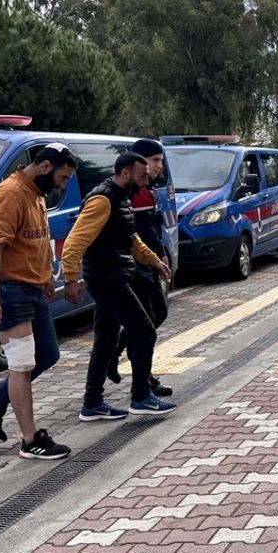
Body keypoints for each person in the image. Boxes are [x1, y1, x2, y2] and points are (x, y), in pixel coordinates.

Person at [0, 143, 78, 460]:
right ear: (45, 167)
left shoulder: (36, 194)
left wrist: (45, 276)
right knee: (22, 364)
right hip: (11, 290)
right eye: (63, 177)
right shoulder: (11, 194)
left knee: (48, 354)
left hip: (32, 288)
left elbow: (35, 241)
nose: (63, 185)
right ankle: (30, 441)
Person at [62, 151, 176, 421]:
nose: (146, 180)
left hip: (113, 273)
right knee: (144, 331)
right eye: (142, 175)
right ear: (126, 174)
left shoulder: (119, 196)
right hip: (106, 277)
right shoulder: (103, 199)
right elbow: (74, 242)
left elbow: (130, 237)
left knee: (105, 341)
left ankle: (92, 403)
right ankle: (140, 396)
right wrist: (69, 279)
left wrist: (153, 261)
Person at [106, 139, 173, 398]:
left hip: (150, 262)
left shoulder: (149, 190)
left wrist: (161, 255)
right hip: (134, 266)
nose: (158, 166)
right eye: (154, 161)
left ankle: (123, 355)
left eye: (160, 161)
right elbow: (133, 234)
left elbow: (153, 230)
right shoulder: (130, 193)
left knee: (156, 315)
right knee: (144, 324)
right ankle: (142, 381)